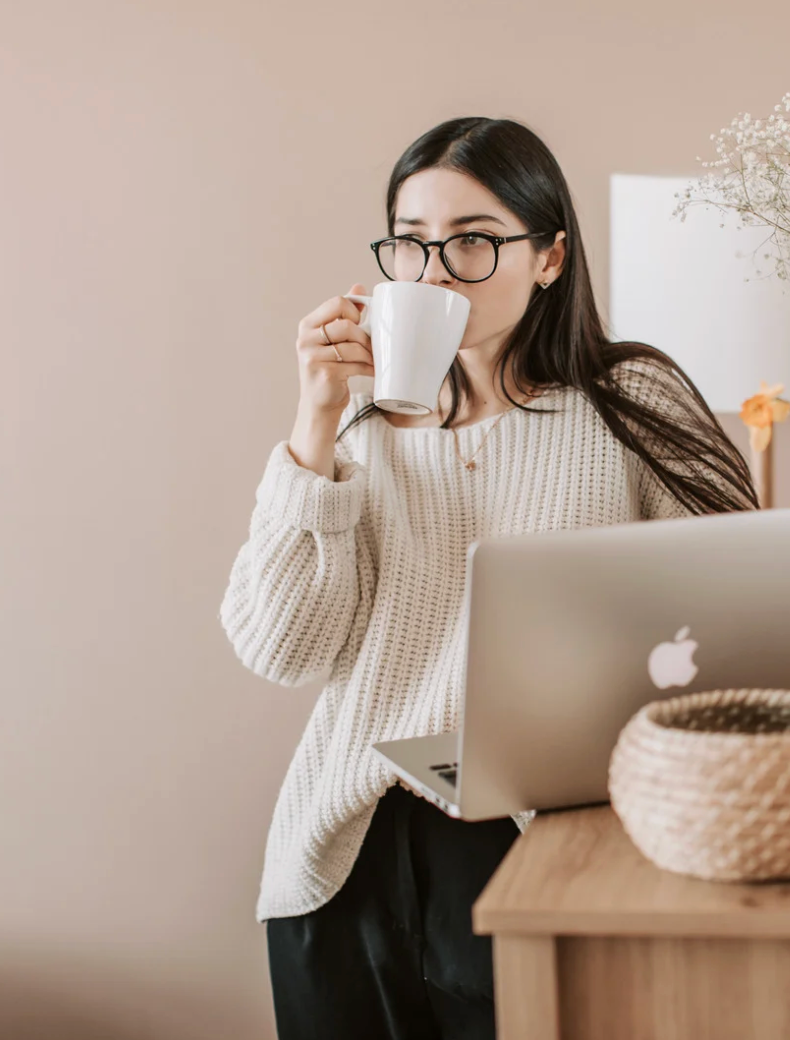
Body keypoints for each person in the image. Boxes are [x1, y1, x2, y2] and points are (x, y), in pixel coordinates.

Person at [218, 116, 759, 1040]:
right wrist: (315, 425)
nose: (433, 274)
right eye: (412, 245)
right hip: (341, 861)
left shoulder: (630, 403)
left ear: (549, 257)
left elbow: (742, 617)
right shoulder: (360, 435)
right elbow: (282, 648)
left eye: (471, 242)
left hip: (538, 845)